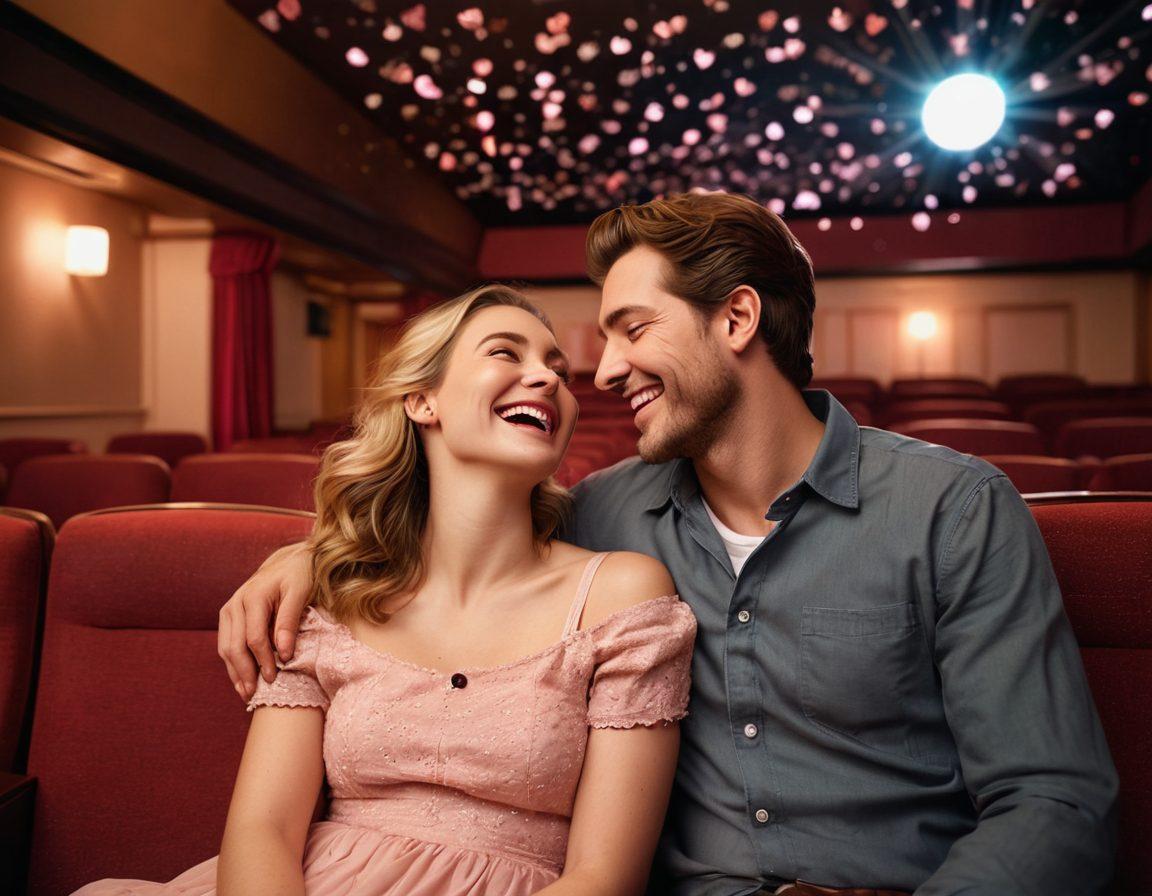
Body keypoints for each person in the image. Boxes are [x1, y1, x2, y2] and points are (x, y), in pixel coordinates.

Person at [221, 193, 1118, 896]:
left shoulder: (951, 509)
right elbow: (452, 553)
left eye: (633, 330)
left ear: (735, 320)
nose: (604, 372)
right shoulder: (604, 520)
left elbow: (1053, 802)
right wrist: (305, 556)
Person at [77, 285, 696, 896]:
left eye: (557, 369)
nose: (548, 379)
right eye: (506, 353)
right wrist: (309, 557)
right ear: (423, 400)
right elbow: (262, 829)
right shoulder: (330, 593)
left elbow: (605, 876)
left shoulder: (620, 594)